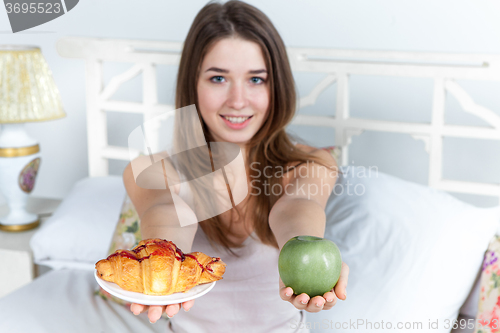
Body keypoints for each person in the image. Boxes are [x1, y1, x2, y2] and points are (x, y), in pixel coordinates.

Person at [123, 1, 349, 332]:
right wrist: (163, 260)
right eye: (218, 78)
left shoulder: (310, 164)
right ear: (193, 84)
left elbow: (298, 207)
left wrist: (310, 255)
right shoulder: (150, 169)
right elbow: (167, 213)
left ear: (276, 87)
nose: (238, 100)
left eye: (256, 80)